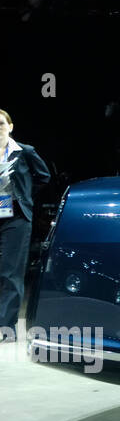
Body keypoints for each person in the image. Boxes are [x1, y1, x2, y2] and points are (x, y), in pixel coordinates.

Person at [0, 109, 51, 337]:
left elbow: (44, 176)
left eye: (1, 124)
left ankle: (6, 327)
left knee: (11, 272)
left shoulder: (24, 151)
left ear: (10, 127)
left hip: (17, 217)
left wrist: (25, 197)